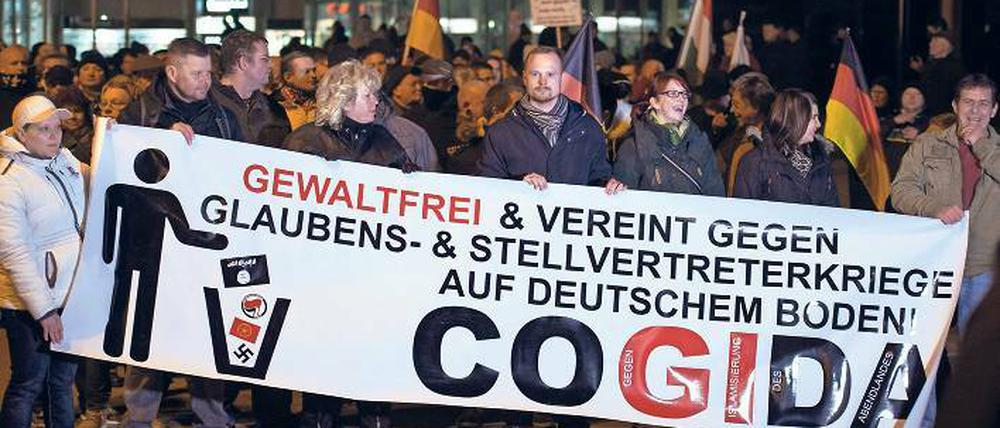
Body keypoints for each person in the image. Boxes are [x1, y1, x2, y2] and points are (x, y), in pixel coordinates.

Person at [117, 37, 241, 428]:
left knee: (206, 332)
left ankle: (212, 416)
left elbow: (239, 170)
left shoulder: (224, 115)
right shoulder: (138, 113)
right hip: (153, 242)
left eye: (209, 72)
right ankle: (138, 417)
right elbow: (118, 168)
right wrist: (158, 137)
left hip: (204, 243)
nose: (207, 81)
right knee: (150, 334)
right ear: (173, 72)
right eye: (197, 73)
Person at [282, 59, 409, 428]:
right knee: (323, 367)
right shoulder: (305, 142)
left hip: (372, 280)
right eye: (368, 95)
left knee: (371, 363)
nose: (376, 102)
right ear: (344, 98)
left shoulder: (385, 140)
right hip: (321, 280)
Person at [0, 94, 86, 428]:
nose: (55, 135)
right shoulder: (8, 180)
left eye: (57, 127)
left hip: (67, 294)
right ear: (22, 134)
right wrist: (44, 310)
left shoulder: (61, 159)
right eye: (44, 129)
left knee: (61, 383)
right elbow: (14, 252)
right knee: (28, 384)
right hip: (29, 305)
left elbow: (102, 173)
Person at [891, 73, 1000, 335]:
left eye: (983, 103)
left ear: (994, 109)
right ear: (955, 106)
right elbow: (900, 191)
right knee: (922, 347)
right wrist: (933, 208)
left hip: (983, 268)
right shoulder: (927, 144)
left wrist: (982, 146)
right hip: (934, 264)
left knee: (974, 352)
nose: (975, 111)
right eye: (968, 102)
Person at [478, 46, 620, 193]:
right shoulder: (500, 132)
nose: (542, 81)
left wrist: (608, 185)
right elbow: (487, 188)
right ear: (525, 78)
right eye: (535, 74)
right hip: (524, 215)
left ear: (561, 78)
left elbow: (599, 177)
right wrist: (519, 185)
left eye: (550, 74)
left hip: (569, 215)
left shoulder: (588, 127)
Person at [614, 72, 724, 196]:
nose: (681, 99)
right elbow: (625, 200)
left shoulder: (699, 141)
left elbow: (716, 193)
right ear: (655, 102)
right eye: (673, 94)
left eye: (684, 94)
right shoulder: (634, 145)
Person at [733, 88, 839, 206]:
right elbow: (744, 214)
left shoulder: (821, 160)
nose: (819, 124)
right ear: (795, 120)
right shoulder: (755, 163)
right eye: (813, 118)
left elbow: (833, 211)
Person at [211, 30, 291, 147]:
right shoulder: (204, 107)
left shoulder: (275, 109)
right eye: (264, 59)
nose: (270, 65)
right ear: (243, 62)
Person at [718, 72, 774, 194]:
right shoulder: (735, 136)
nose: (733, 111)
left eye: (737, 105)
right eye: (732, 104)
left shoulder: (751, 148)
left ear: (756, 108)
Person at [881, 83, 930, 178]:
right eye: (907, 94)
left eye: (917, 94)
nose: (912, 98)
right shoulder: (887, 118)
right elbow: (872, 137)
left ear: (924, 99)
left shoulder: (931, 122)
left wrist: (920, 132)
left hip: (917, 181)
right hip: (887, 179)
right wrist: (893, 121)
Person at [911, 33, 966, 115]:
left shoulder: (951, 66)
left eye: (935, 41)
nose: (930, 44)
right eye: (931, 41)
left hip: (941, 114)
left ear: (945, 46)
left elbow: (939, 93)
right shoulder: (934, 64)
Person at [273, 50, 318, 130]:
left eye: (314, 70)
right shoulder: (273, 105)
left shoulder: (323, 102)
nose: (313, 75)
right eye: (307, 72)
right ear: (288, 77)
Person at [48, 86, 94, 164]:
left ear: (86, 113)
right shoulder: (50, 138)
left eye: (77, 111)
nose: (72, 116)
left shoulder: (95, 138)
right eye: (67, 111)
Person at [0, 45, 32, 130]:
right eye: (14, 63)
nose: (20, 67)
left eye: (24, 63)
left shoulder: (33, 89)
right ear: (1, 68)